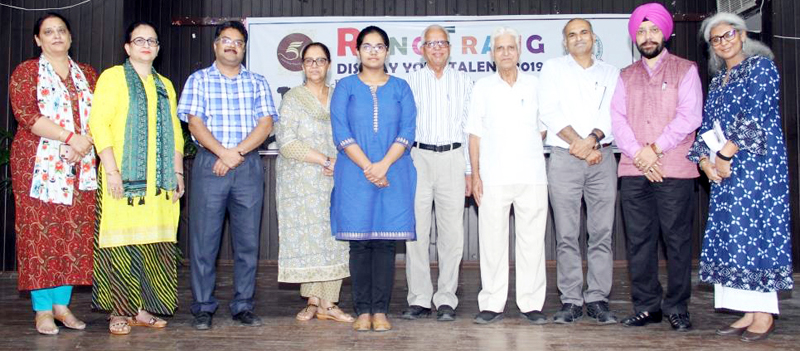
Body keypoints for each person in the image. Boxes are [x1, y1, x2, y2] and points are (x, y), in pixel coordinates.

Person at [687, 12, 793, 342]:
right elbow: (706, 127)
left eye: (728, 35)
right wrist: (704, 161)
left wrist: (725, 154)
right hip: (725, 172)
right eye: (715, 40)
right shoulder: (718, 81)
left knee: (757, 235)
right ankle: (747, 311)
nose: (723, 42)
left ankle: (764, 314)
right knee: (734, 239)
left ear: (743, 35)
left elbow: (756, 115)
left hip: (758, 168)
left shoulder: (760, 68)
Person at [178, 20, 277, 330]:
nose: (232, 45)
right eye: (226, 40)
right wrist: (223, 152)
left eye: (238, 41)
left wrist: (236, 154)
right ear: (215, 45)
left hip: (246, 166)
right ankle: (203, 306)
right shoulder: (199, 79)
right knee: (205, 242)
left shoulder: (258, 81)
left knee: (247, 242)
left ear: (244, 48)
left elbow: (265, 125)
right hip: (211, 165)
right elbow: (194, 123)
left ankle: (243, 305)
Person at [610, 2, 703, 332]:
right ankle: (647, 305)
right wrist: (640, 155)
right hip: (635, 171)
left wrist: (654, 150)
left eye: (653, 30)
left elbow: (690, 116)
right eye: (641, 31)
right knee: (639, 242)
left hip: (674, 169)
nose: (647, 36)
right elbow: (618, 121)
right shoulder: (625, 75)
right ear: (634, 37)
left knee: (677, 242)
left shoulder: (685, 69)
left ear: (666, 32)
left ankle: (677, 306)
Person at [89, 20, 184, 335]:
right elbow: (99, 124)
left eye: (153, 41)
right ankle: (119, 310)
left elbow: (175, 133)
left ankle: (140, 310)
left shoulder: (165, 84)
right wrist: (112, 170)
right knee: (120, 245)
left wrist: (178, 171)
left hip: (158, 188)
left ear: (157, 49)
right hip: (122, 182)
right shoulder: (113, 78)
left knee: (150, 246)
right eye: (140, 40)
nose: (147, 45)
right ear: (127, 47)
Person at [8, 12, 98, 336]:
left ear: (71, 38)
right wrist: (69, 137)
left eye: (61, 30)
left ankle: (62, 306)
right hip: (36, 166)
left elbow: (100, 117)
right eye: (49, 31)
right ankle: (43, 310)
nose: (56, 36)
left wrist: (84, 142)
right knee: (39, 234)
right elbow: (27, 114)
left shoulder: (87, 74)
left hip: (80, 164)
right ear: (38, 39)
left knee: (71, 233)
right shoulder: (26, 72)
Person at [330, 25, 417, 332]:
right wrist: (370, 167)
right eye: (368, 46)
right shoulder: (345, 87)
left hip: (394, 172)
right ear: (357, 51)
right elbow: (341, 132)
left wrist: (383, 166)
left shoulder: (401, 87)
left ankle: (380, 310)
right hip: (355, 174)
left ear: (387, 52)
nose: (373, 51)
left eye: (379, 46)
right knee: (360, 244)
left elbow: (407, 131)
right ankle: (362, 310)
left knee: (384, 243)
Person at [466, 26, 548, 325]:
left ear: (519, 50)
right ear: (492, 54)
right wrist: (475, 174)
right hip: (492, 176)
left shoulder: (536, 85)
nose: (505, 53)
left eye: (510, 47)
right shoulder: (482, 87)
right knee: (492, 243)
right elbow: (474, 135)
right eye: (499, 48)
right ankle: (492, 303)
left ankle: (531, 303)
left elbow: (543, 127)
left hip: (532, 176)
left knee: (532, 242)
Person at [539, 18, 619, 325]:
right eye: (571, 35)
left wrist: (592, 141)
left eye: (583, 32)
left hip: (602, 156)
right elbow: (549, 109)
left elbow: (613, 111)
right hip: (564, 157)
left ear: (593, 37)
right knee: (567, 234)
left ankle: (598, 297)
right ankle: (571, 299)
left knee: (601, 233)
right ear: (565, 41)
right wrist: (579, 144)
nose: (578, 38)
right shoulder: (553, 69)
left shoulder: (611, 72)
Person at [275, 42, 353, 323]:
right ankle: (312, 301)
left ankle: (329, 303)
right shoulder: (293, 98)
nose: (315, 66)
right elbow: (286, 141)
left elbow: (350, 135)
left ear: (329, 64)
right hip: (301, 179)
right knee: (309, 239)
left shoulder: (340, 96)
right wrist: (324, 160)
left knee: (332, 238)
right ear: (302, 66)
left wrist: (340, 163)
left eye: (320, 61)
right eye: (309, 61)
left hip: (336, 177)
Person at [402, 24, 473, 322]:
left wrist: (470, 170)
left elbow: (470, 130)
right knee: (416, 233)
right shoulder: (409, 82)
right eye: (431, 44)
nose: (437, 48)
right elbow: (402, 126)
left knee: (452, 234)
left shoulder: (465, 81)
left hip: (454, 158)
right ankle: (419, 298)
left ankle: (446, 298)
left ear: (449, 47)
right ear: (422, 49)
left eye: (442, 43)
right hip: (418, 157)